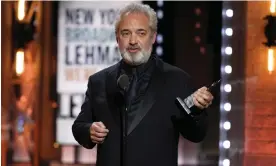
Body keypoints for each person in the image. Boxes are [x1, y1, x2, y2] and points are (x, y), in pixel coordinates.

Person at [72, 3, 214, 166]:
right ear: (117, 38)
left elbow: (196, 134)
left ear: (153, 37)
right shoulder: (98, 81)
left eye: (141, 33)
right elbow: (79, 126)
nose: (133, 41)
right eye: (126, 33)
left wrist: (196, 110)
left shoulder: (177, 79)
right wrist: (89, 130)